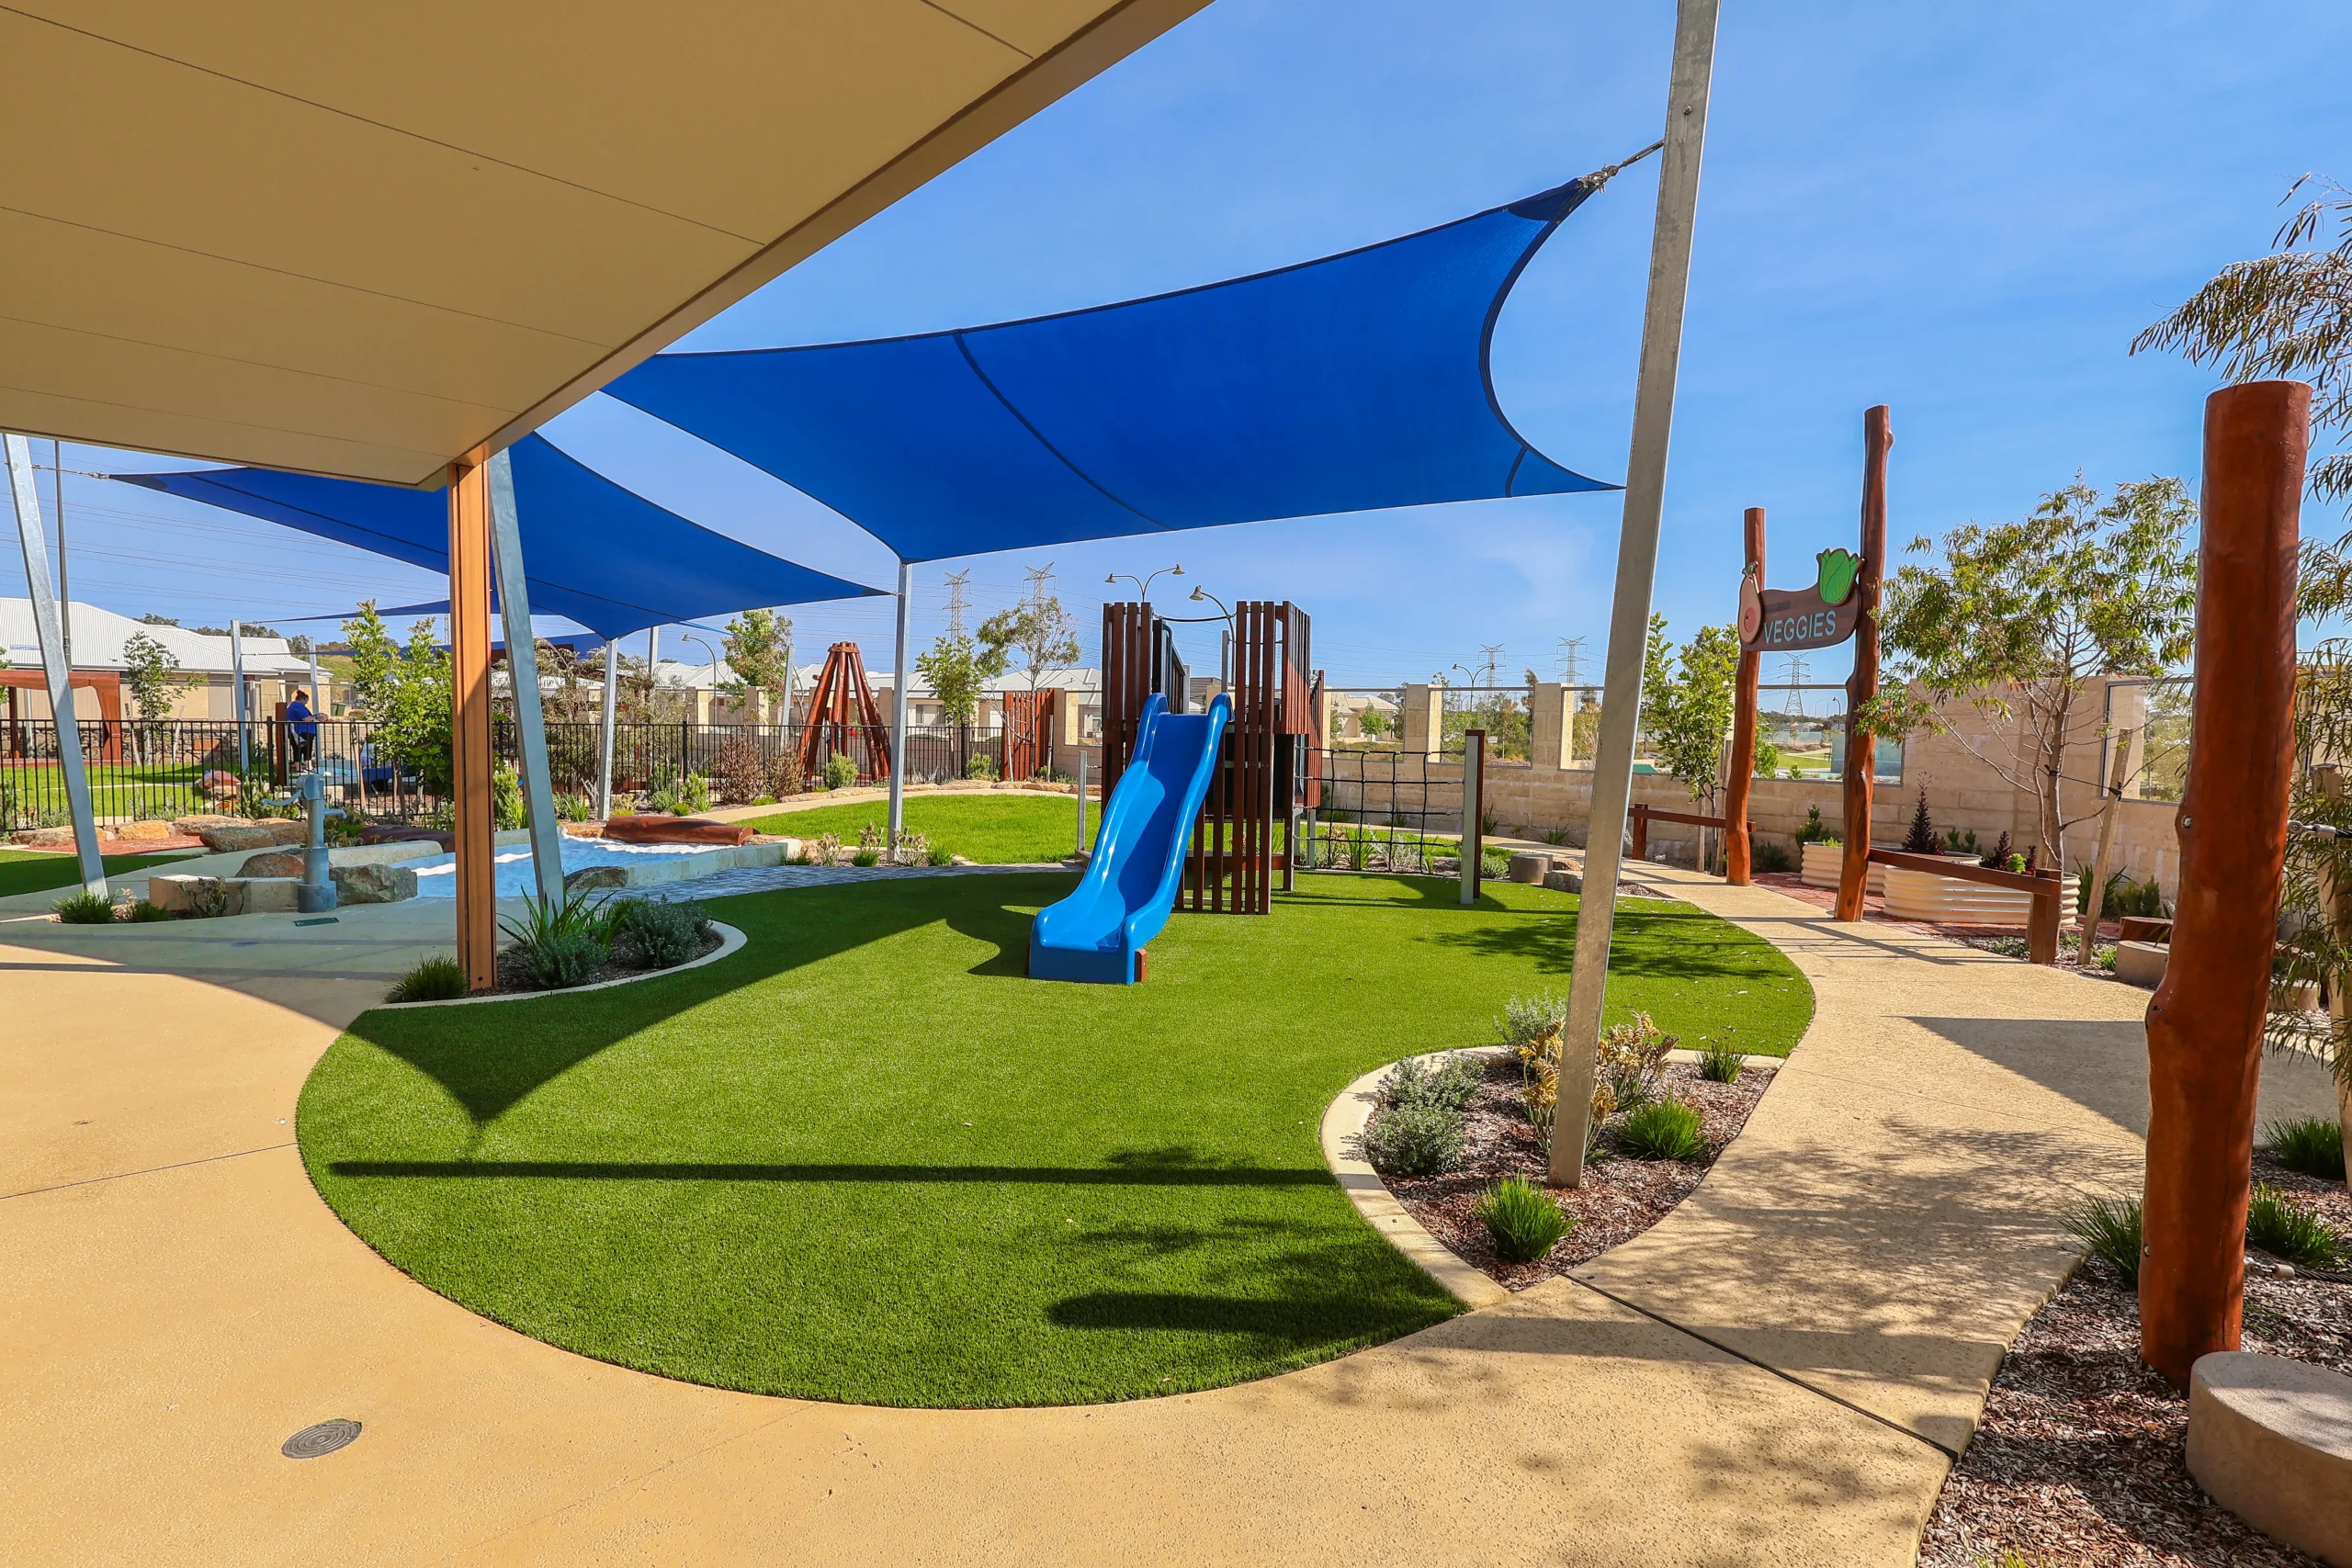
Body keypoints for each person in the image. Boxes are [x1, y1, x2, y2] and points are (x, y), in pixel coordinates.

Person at [285, 687, 318, 769]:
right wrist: (317, 717)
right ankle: (308, 767)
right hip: (302, 731)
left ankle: (298, 768)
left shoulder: (292, 706)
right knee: (306, 749)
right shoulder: (298, 706)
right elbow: (306, 719)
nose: (305, 703)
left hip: (295, 731)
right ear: (303, 699)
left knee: (297, 750)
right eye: (306, 701)